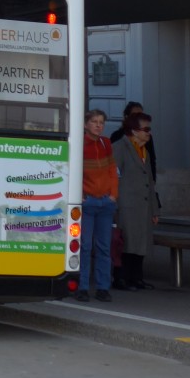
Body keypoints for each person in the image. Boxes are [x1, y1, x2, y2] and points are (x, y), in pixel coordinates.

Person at [76, 109, 118, 302]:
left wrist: (113, 195)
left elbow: (112, 171)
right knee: (84, 246)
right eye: (94, 122)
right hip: (89, 200)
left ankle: (103, 287)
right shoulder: (79, 144)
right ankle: (82, 286)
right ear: (86, 125)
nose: (98, 125)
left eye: (101, 122)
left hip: (105, 201)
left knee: (103, 247)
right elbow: (75, 170)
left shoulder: (106, 143)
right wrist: (80, 194)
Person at [114, 112, 157, 290]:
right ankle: (121, 278)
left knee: (140, 243)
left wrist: (155, 210)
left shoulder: (144, 150)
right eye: (146, 129)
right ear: (134, 130)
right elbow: (114, 177)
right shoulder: (119, 147)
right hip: (126, 205)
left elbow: (150, 182)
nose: (149, 133)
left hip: (143, 206)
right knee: (126, 243)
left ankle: (137, 278)